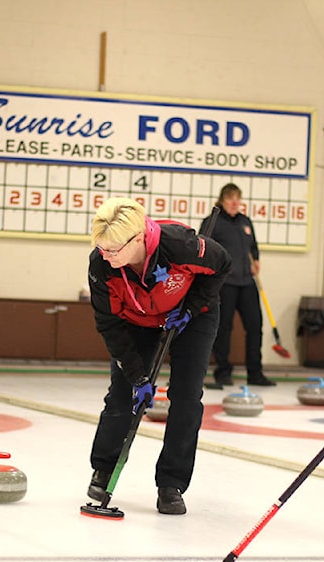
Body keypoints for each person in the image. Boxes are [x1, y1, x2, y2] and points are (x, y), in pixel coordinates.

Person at [87, 197, 231, 514]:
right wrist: (138, 375)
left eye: (113, 250)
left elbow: (222, 264)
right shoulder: (102, 265)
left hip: (190, 316)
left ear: (138, 237)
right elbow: (109, 324)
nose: (106, 255)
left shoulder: (180, 245)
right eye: (102, 248)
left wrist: (192, 308)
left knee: (187, 396)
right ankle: (104, 468)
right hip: (135, 322)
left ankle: (171, 483)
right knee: (124, 394)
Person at [199, 183, 275, 388]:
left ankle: (255, 373)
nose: (234, 203)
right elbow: (203, 248)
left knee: (254, 326)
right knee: (223, 328)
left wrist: (256, 260)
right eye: (230, 198)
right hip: (225, 283)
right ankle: (223, 372)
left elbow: (253, 247)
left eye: (237, 199)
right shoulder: (212, 221)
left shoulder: (245, 222)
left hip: (247, 282)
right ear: (222, 200)